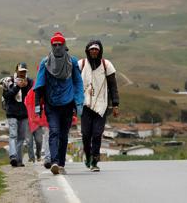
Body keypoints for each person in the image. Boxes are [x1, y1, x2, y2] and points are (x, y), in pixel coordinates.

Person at [34, 32, 84, 175]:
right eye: (54, 45)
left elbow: (78, 82)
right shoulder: (45, 63)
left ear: (64, 46)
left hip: (68, 104)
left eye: (59, 45)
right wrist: (38, 105)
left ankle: (61, 163)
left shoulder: (72, 62)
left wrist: (79, 101)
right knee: (54, 132)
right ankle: (54, 162)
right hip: (52, 104)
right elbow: (39, 85)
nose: (57, 47)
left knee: (63, 135)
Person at [79, 39, 119, 172]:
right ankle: (88, 155)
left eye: (96, 49)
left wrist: (115, 104)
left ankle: (95, 161)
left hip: (102, 105)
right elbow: (74, 83)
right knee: (85, 134)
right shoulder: (81, 64)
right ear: (88, 51)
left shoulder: (106, 65)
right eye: (92, 49)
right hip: (85, 104)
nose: (94, 51)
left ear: (100, 50)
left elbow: (113, 86)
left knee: (97, 133)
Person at [0, 62, 33, 167]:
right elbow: (7, 96)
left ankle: (18, 160)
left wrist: (25, 86)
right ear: (16, 71)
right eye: (21, 71)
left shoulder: (30, 82)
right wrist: (17, 87)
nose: (22, 73)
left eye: (24, 71)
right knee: (13, 135)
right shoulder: (9, 81)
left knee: (21, 138)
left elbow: (31, 95)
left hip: (24, 114)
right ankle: (13, 156)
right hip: (12, 113)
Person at [24, 85, 50, 167]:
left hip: (38, 119)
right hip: (26, 119)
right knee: (29, 141)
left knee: (39, 140)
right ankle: (33, 158)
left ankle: (38, 154)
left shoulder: (33, 85)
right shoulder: (18, 88)